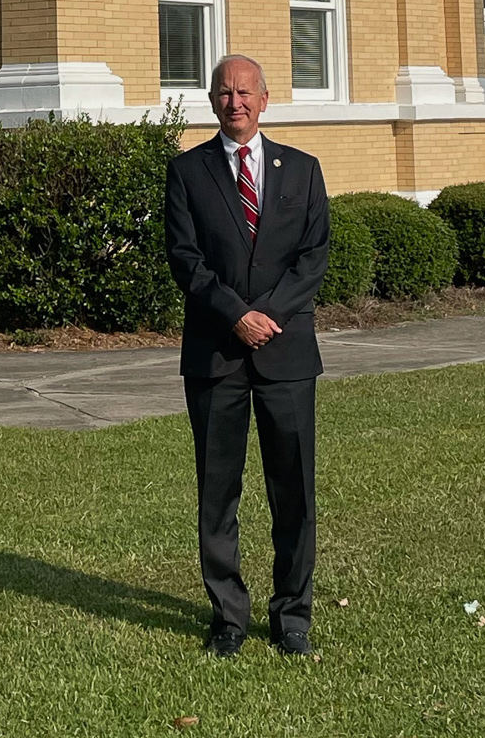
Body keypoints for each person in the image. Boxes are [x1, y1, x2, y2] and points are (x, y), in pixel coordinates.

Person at [164, 56, 331, 659]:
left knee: (295, 491)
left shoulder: (304, 171)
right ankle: (228, 618)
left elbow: (312, 258)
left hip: (286, 356)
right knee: (218, 491)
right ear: (212, 100)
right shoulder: (187, 172)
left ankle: (293, 617)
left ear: (266, 100)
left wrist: (271, 317)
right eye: (224, 92)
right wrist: (235, 314)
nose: (235, 101)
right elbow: (185, 260)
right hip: (216, 355)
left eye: (246, 93)